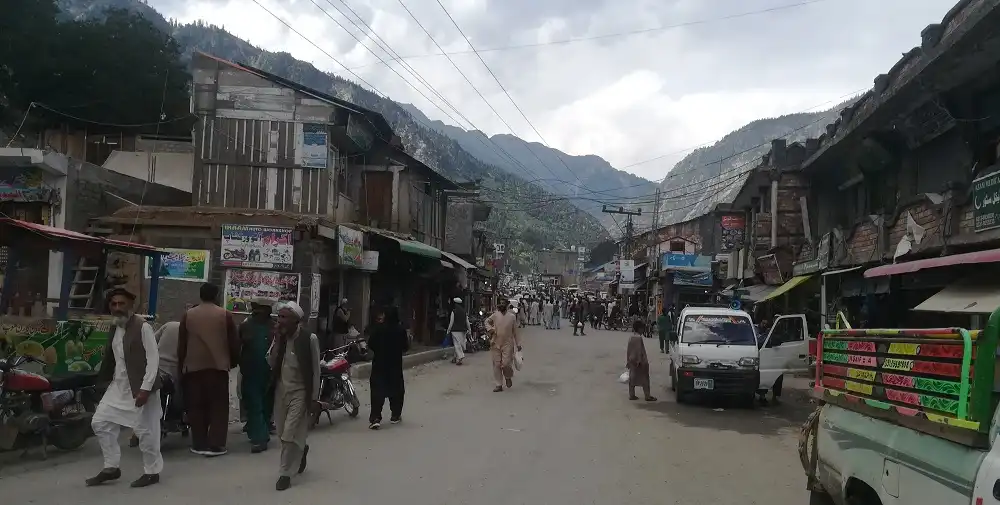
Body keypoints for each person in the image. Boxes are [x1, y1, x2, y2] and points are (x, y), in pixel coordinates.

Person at [87, 288, 163, 488]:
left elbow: (153, 360)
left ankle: (152, 472)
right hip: (118, 386)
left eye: (121, 304)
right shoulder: (116, 326)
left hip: (140, 387)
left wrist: (145, 389)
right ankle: (111, 467)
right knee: (100, 422)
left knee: (146, 432)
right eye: (114, 304)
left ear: (131, 305)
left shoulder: (142, 326)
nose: (117, 308)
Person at [178, 283, 240, 457]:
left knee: (196, 407)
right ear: (217, 295)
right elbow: (233, 342)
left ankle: (199, 443)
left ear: (200, 295)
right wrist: (233, 361)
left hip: (193, 369)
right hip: (218, 368)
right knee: (218, 407)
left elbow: (182, 344)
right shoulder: (224, 315)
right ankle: (216, 444)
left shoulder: (188, 315)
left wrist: (181, 366)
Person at [268, 302, 320, 491]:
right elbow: (271, 362)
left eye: (284, 318)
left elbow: (315, 370)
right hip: (281, 391)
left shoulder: (309, 338)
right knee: (282, 433)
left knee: (289, 433)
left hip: (300, 391)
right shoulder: (280, 337)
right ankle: (301, 447)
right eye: (278, 317)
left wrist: (314, 398)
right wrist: (276, 341)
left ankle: (285, 473)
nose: (279, 321)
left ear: (296, 321)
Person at [240, 298, 276, 453]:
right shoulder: (246, 325)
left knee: (267, 402)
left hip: (270, 370)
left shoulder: (276, 327)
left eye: (259, 310)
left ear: (267, 311)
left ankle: (263, 429)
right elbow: (238, 345)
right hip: (251, 370)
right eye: (254, 309)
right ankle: (259, 438)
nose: (256, 313)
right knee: (254, 402)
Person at [368, 305, 410, 429]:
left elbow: (371, 343)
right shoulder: (400, 330)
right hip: (395, 365)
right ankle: (395, 415)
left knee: (377, 390)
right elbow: (405, 347)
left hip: (379, 364)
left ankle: (375, 417)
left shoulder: (379, 329)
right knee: (396, 390)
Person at [485, 301, 521, 392]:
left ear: (507, 305)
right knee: (496, 364)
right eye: (499, 304)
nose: (501, 305)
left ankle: (508, 377)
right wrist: (491, 329)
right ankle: (499, 384)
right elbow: (486, 322)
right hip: (495, 343)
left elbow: (515, 332)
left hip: (507, 344)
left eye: (502, 304)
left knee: (506, 364)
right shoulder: (495, 315)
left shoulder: (512, 317)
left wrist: (518, 344)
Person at [626, 320, 657, 402]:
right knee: (645, 379)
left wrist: (628, 361)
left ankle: (631, 395)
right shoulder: (639, 338)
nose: (643, 330)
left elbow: (629, 350)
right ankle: (647, 396)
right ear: (639, 329)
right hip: (639, 362)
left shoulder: (631, 337)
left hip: (632, 360)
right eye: (642, 328)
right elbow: (639, 350)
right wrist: (640, 360)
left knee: (632, 378)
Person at [446, 297, 470, 365]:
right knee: (459, 344)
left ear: (455, 304)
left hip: (455, 330)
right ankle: (454, 358)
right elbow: (467, 322)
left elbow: (451, 322)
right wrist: (469, 329)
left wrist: (448, 330)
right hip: (463, 330)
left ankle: (460, 357)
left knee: (457, 345)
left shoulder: (454, 311)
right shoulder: (464, 311)